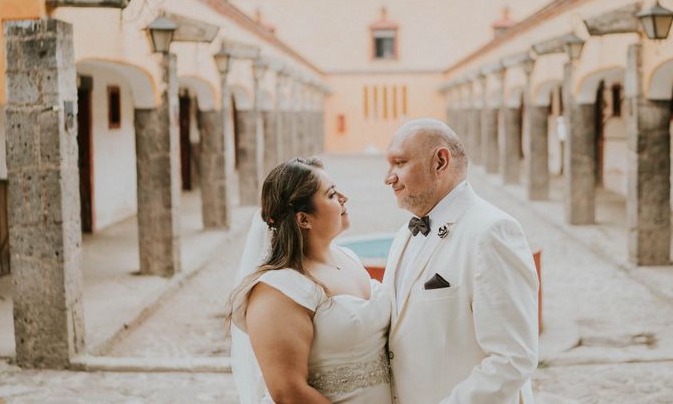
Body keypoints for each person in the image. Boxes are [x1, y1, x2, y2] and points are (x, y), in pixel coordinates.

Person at [383, 118, 539, 403]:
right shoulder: (402, 236)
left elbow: (513, 358)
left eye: (399, 163)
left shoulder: (491, 232)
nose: (388, 177)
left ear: (440, 162)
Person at [230, 158, 392, 403]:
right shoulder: (277, 291)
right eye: (331, 194)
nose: (343, 198)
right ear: (303, 219)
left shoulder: (349, 257)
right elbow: (288, 392)